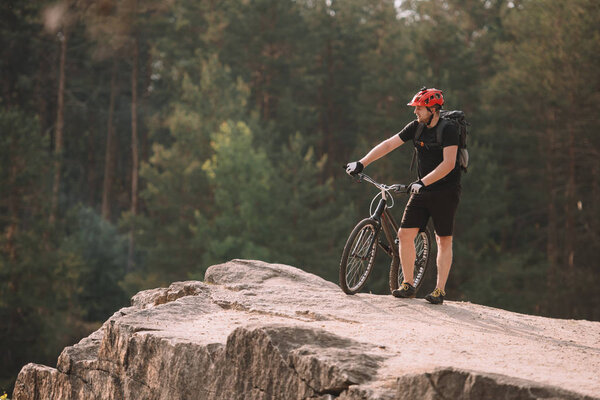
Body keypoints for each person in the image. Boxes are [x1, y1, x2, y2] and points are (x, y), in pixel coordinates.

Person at [345, 87, 461, 304]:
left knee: (443, 239)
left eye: (419, 107)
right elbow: (389, 144)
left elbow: (449, 164)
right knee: (405, 235)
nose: (415, 111)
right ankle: (408, 284)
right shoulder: (416, 127)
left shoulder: (449, 130)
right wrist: (362, 162)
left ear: (433, 109)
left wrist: (422, 182)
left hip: (445, 192)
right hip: (421, 190)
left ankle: (439, 291)